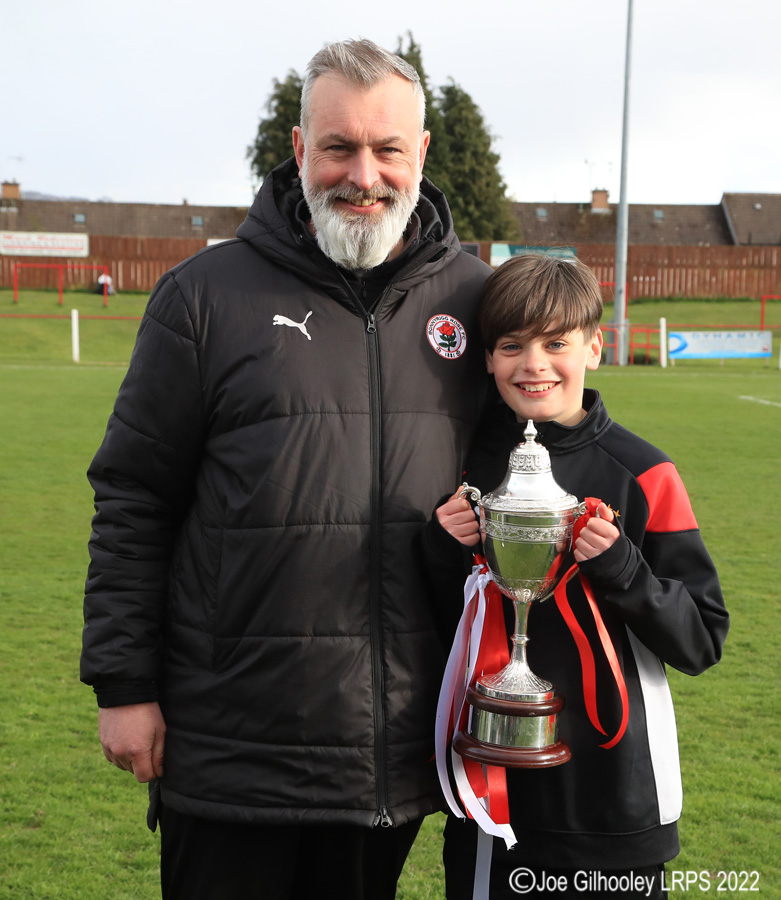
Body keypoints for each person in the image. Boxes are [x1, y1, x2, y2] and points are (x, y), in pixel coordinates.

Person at [81, 39, 492, 900]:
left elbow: (544, 455)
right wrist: (123, 685)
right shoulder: (203, 297)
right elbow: (134, 496)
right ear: (301, 151)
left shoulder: (475, 302)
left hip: (390, 751)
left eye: (387, 149)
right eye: (339, 146)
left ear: (420, 154)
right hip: (231, 745)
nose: (363, 174)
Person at [424, 254, 729, 899]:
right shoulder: (459, 467)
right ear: (486, 358)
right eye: (511, 345)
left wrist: (623, 568)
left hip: (615, 796)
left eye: (555, 343)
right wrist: (438, 549)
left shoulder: (645, 473)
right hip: (496, 795)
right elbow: (425, 619)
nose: (533, 363)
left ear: (594, 345)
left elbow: (702, 640)